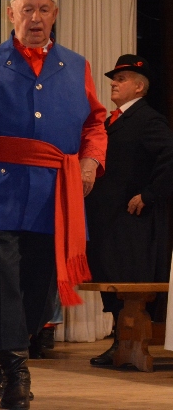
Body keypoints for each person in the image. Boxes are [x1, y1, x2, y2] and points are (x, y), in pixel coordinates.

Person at [0, 0, 107, 409]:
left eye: (43, 9)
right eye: (27, 10)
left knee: (40, 287)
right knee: (4, 277)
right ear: (11, 15)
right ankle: (16, 370)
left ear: (55, 15)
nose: (35, 17)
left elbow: (95, 122)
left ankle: (0, 358)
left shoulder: (76, 65)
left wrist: (90, 161)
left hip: (53, 193)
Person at [85, 54, 173, 366]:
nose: (114, 83)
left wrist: (149, 194)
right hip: (108, 220)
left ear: (139, 87)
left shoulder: (148, 120)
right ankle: (120, 342)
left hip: (131, 222)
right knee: (109, 277)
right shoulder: (111, 121)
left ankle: (127, 343)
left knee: (127, 279)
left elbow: (170, 157)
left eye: (121, 79)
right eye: (114, 79)